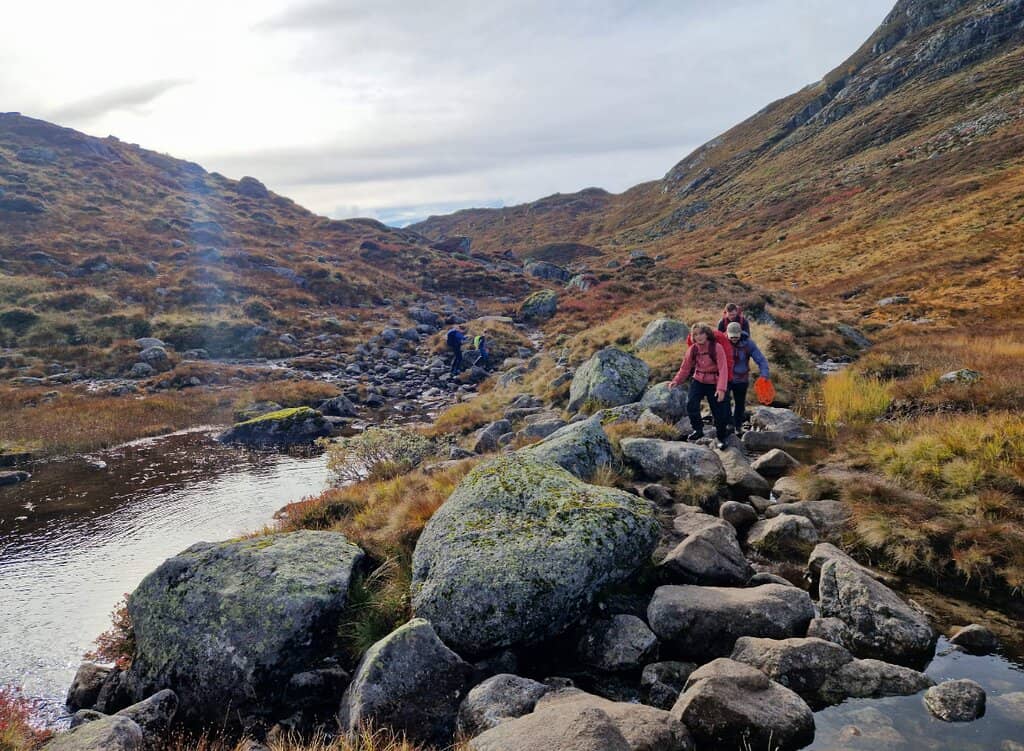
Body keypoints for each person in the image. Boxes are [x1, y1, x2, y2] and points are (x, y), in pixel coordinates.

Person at [670, 322, 730, 449]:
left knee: (718, 412)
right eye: (695, 334)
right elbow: (685, 368)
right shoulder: (693, 349)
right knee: (691, 404)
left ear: (707, 334)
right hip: (698, 380)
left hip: (714, 382)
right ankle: (698, 430)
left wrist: (721, 389)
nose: (699, 337)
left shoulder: (717, 347)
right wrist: (676, 380)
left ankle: (721, 438)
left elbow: (723, 369)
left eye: (701, 333)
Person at [725, 321, 769, 433]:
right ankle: (728, 424)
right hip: (726, 378)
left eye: (736, 336)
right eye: (732, 336)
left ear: (740, 333)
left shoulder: (749, 344)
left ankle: (738, 426)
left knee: (739, 404)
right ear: (727, 334)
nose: (734, 338)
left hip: (741, 379)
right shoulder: (722, 342)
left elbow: (761, 360)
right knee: (724, 401)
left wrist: (764, 374)